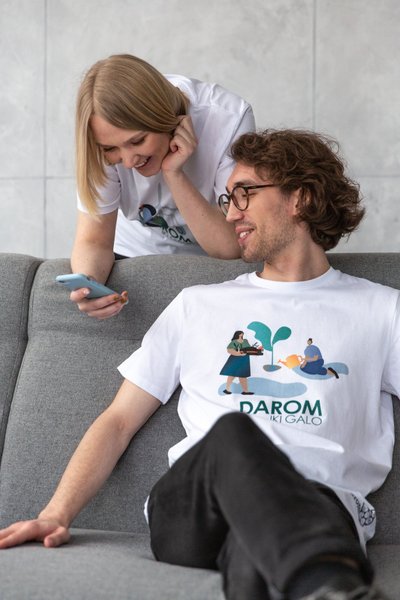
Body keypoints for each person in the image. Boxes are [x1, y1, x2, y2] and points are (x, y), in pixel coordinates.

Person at [0, 129, 394, 600]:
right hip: (195, 508)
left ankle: (317, 586)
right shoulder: (198, 305)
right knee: (232, 434)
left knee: (253, 559)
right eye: (228, 198)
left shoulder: (382, 310)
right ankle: (328, 581)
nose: (230, 213)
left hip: (320, 504)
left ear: (301, 198)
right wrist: (55, 514)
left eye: (244, 194)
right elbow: (118, 421)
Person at [69, 53, 255, 319]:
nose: (129, 162)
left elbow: (231, 247)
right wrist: (89, 287)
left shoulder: (229, 119)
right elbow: (94, 241)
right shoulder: (99, 141)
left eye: (138, 141)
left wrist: (174, 173)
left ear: (165, 118)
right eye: (111, 149)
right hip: (133, 256)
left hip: (213, 262)